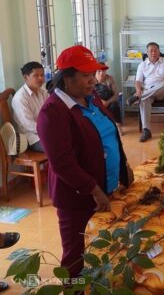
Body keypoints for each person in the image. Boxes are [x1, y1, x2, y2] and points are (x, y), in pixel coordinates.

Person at [37, 45, 133, 280]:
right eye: (86, 75)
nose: (92, 80)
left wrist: (124, 166)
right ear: (66, 78)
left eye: (94, 74)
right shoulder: (53, 113)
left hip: (105, 188)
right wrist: (95, 190)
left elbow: (109, 134)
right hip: (78, 198)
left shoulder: (92, 98)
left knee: (100, 248)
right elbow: (63, 164)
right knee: (76, 255)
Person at [127, 42, 164, 142]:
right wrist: (139, 91)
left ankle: (138, 97)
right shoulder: (142, 65)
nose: (153, 53)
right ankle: (146, 130)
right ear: (147, 53)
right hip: (147, 91)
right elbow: (138, 81)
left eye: (155, 50)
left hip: (162, 90)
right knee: (144, 99)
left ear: (159, 51)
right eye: (151, 51)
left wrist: (140, 94)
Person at [12, 62, 49, 152]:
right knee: (60, 147)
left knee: (73, 139)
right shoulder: (20, 98)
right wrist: (49, 130)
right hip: (33, 138)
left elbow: (51, 112)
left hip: (47, 132)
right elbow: (28, 125)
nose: (41, 78)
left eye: (42, 75)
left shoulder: (43, 92)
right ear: (26, 77)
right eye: (36, 75)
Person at [95, 63, 123, 135]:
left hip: (109, 101)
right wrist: (100, 102)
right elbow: (89, 95)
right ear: (95, 71)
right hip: (97, 101)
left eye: (103, 71)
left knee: (114, 106)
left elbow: (116, 95)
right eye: (99, 71)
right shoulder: (92, 80)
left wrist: (107, 102)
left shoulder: (110, 79)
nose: (101, 73)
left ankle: (118, 126)